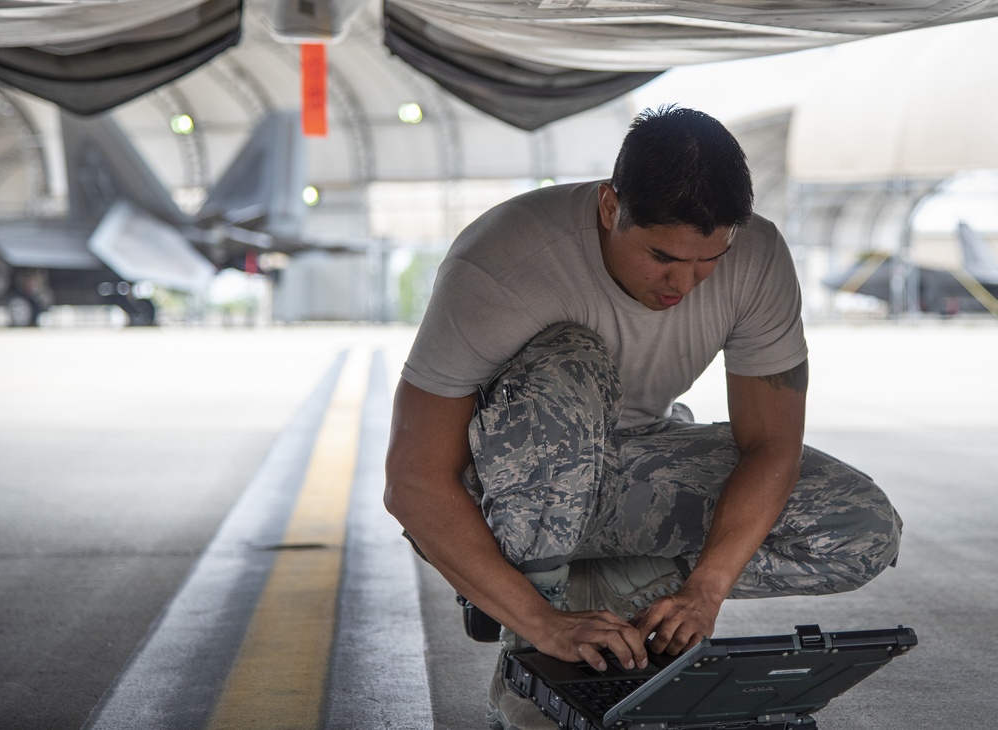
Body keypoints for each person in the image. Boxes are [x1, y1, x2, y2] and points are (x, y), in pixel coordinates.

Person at [383, 105, 902, 730]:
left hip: (636, 461)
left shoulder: (758, 257)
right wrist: (542, 622)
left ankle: (610, 601)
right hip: (508, 488)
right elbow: (413, 479)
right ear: (610, 207)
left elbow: (771, 445)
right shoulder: (505, 261)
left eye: (708, 259)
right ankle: (536, 618)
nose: (684, 283)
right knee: (568, 363)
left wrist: (705, 590)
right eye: (662, 255)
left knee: (859, 527)